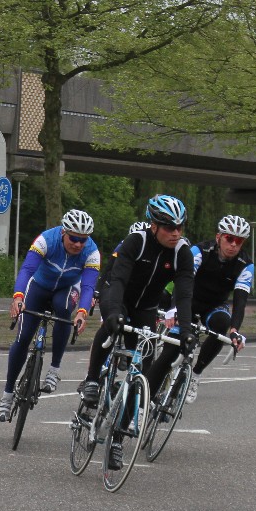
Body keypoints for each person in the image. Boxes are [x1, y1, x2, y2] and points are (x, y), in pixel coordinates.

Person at [79, 195, 196, 471]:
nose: (176, 233)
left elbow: (184, 295)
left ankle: (117, 438)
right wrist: (113, 313)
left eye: (180, 227)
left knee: (143, 372)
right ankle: (93, 380)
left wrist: (186, 330)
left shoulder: (182, 253)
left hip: (146, 308)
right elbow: (118, 279)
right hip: (119, 296)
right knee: (111, 328)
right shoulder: (137, 242)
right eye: (169, 227)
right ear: (154, 225)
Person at [0, 209, 100, 421]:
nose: (78, 244)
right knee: (23, 338)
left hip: (66, 289)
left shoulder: (92, 252)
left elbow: (88, 286)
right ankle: (7, 396)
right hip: (39, 286)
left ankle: (54, 369)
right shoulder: (46, 240)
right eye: (74, 238)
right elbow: (27, 270)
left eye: (83, 240)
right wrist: (18, 297)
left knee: (63, 310)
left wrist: (82, 312)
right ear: (63, 232)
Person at [143, 214, 253, 405]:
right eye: (230, 238)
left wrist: (235, 330)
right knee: (170, 353)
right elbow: (182, 283)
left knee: (222, 323)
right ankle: (145, 401)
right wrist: (175, 309)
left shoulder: (246, 264)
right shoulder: (199, 251)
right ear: (218, 237)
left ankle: (196, 373)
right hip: (189, 301)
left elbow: (240, 300)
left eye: (239, 241)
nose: (234, 245)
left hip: (214, 306)